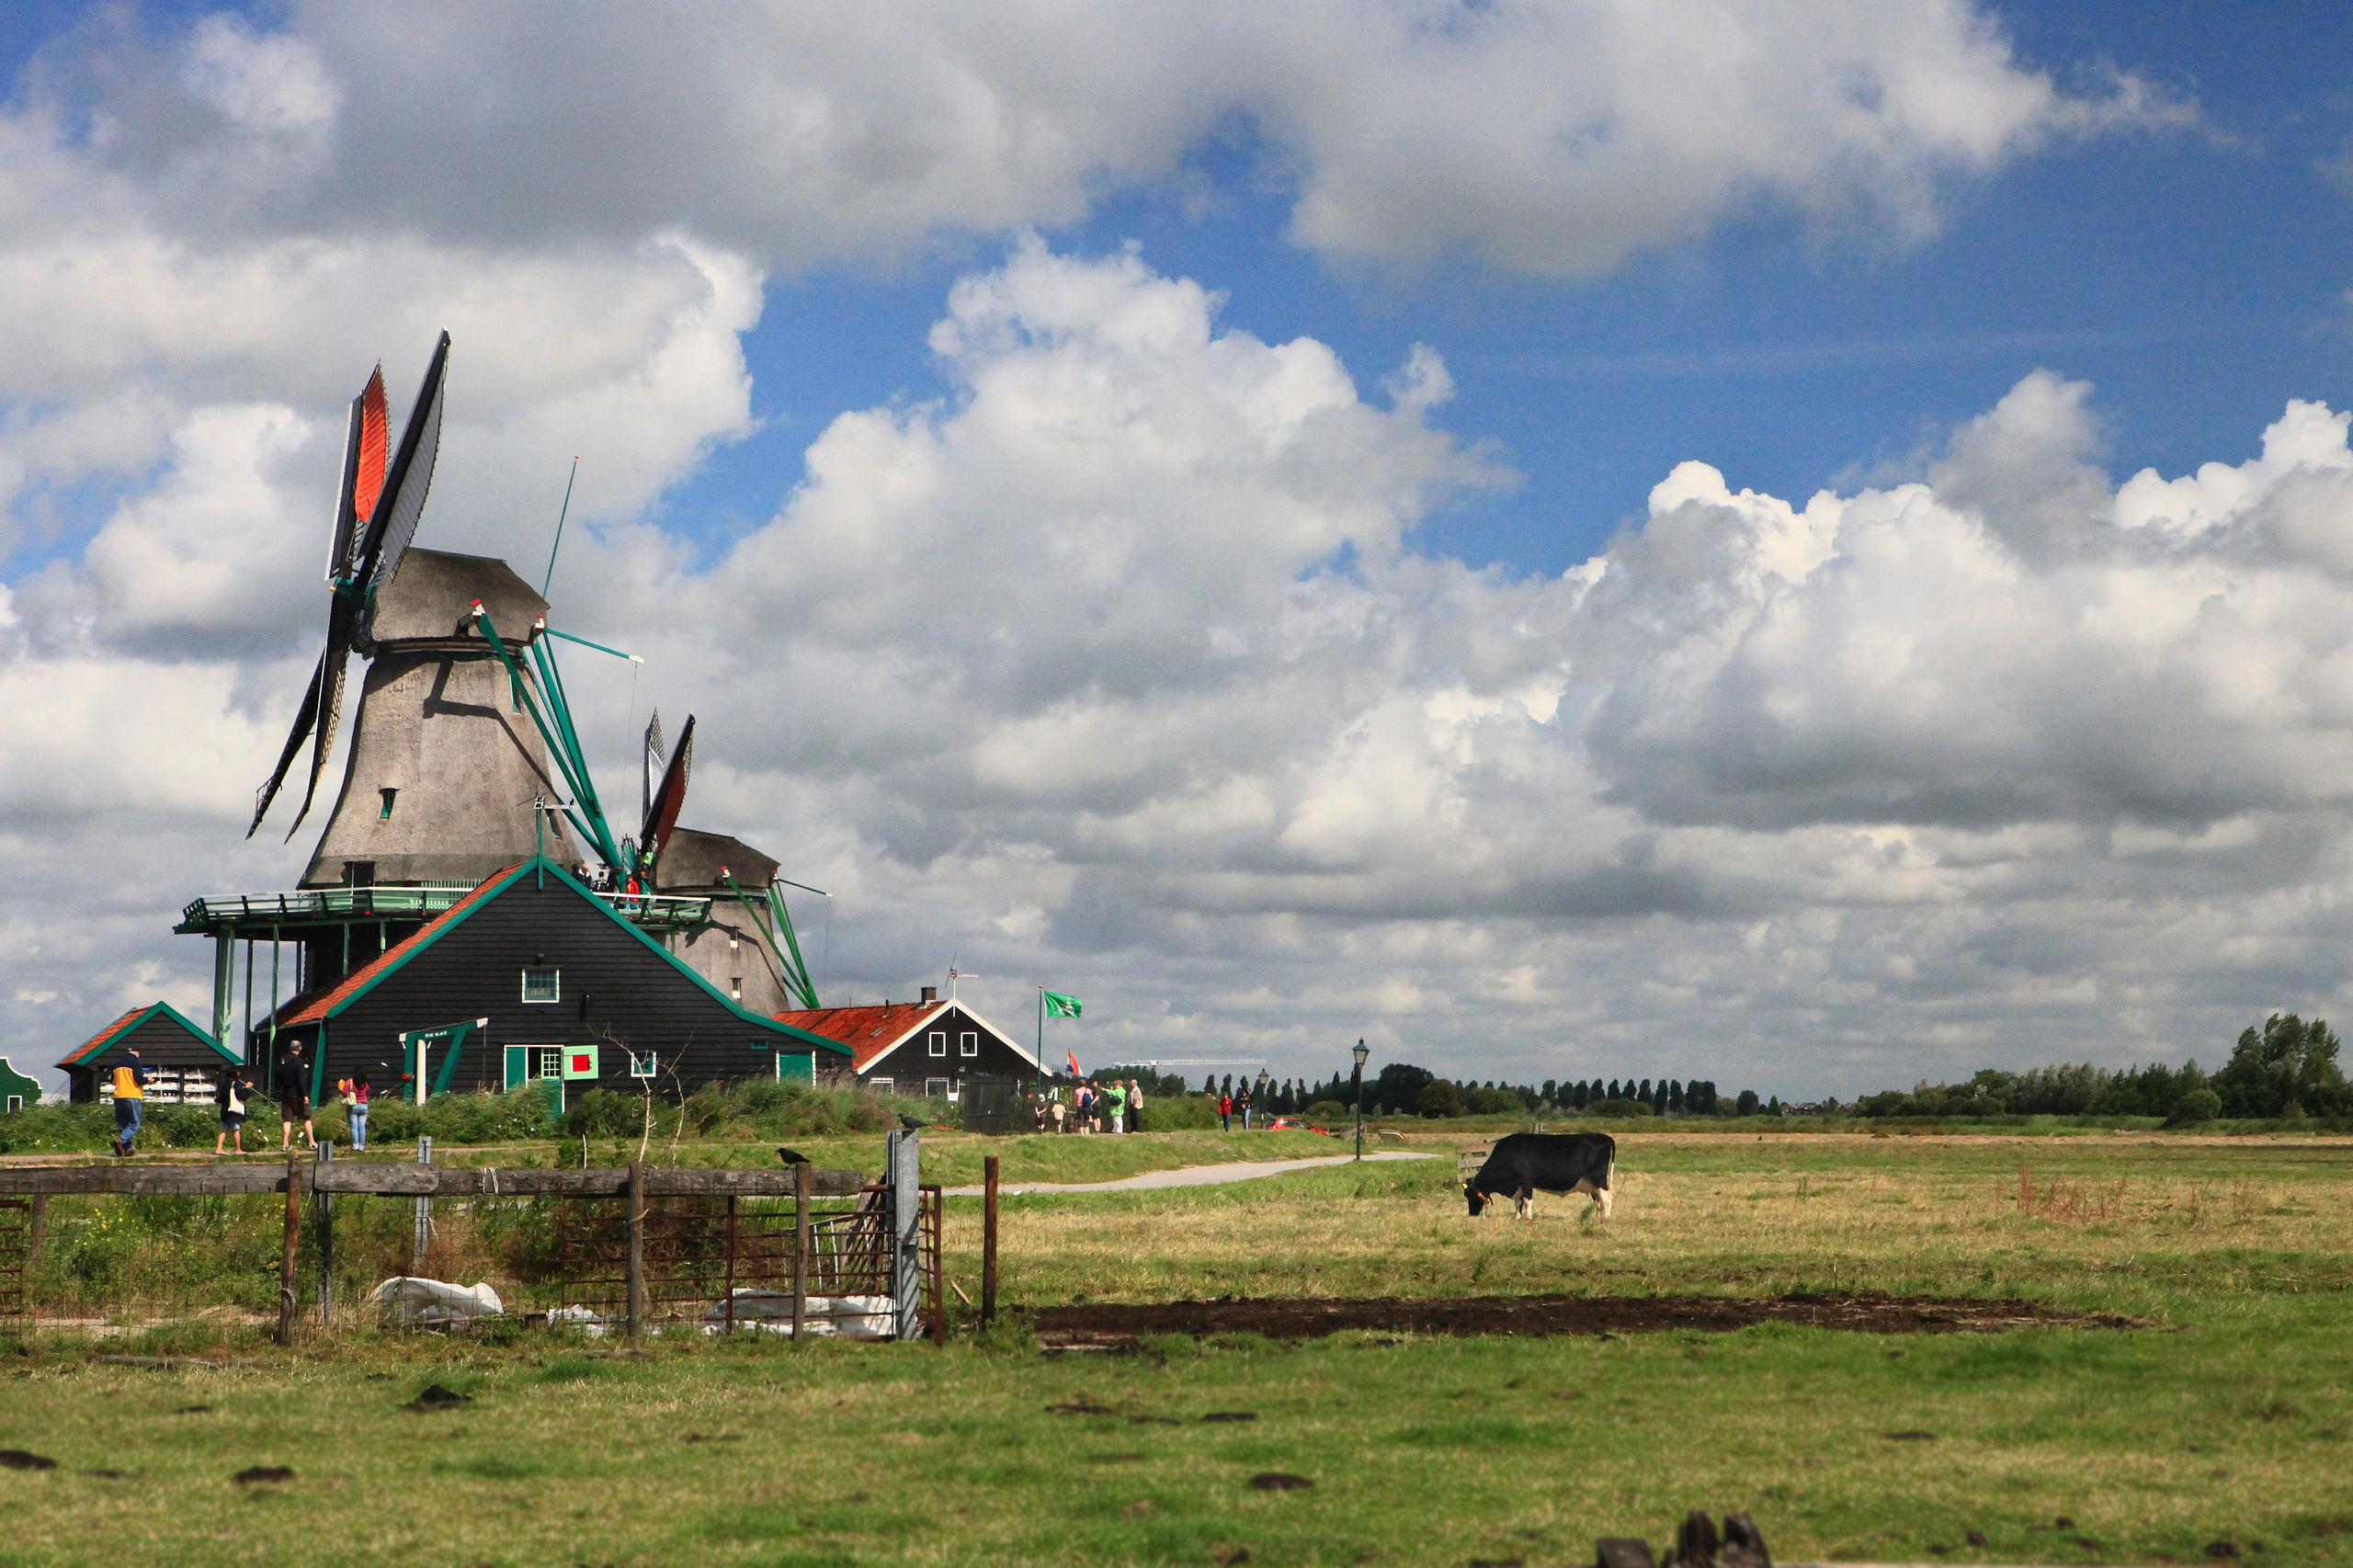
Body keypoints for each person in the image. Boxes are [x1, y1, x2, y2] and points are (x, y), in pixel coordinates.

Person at [109, 1050, 153, 1157]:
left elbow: (112, 1081)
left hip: (119, 1096)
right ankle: (121, 1140)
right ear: (136, 1054)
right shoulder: (135, 1063)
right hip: (132, 1096)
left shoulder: (117, 1064)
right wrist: (148, 1080)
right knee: (134, 1123)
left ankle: (128, 1149)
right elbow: (138, 1079)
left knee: (123, 1124)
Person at [279, 1048, 316, 1151]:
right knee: (306, 1118)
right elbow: (301, 1079)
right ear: (300, 1049)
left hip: (286, 1095)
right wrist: (305, 1095)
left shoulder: (284, 1060)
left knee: (287, 1120)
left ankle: (285, 1143)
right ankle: (311, 1142)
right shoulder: (299, 1062)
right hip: (298, 1095)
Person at [214, 1068, 253, 1155]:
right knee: (236, 1129)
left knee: (224, 1129)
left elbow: (221, 1098)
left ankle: (219, 1148)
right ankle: (238, 1149)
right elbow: (241, 1095)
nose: (239, 1073)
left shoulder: (224, 1084)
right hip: (233, 1111)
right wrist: (246, 1088)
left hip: (225, 1110)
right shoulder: (236, 1083)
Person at [346, 1073, 371, 1151]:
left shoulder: (350, 1082)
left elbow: (344, 1092)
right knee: (362, 1127)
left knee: (354, 1127)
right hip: (364, 1106)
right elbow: (367, 1093)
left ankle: (355, 1146)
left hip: (353, 1105)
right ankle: (362, 1146)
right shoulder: (366, 1084)